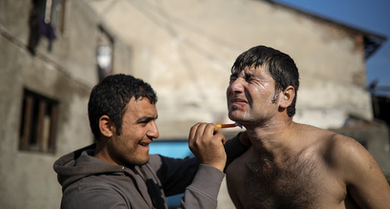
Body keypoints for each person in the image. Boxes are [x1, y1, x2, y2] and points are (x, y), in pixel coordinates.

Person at [225, 45, 390, 209]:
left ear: (285, 97)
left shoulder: (338, 153)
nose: (234, 87)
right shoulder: (237, 174)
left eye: (251, 79)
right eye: (233, 78)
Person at [53, 73, 249, 209]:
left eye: (154, 120)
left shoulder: (142, 166)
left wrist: (243, 140)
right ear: (107, 126)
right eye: (143, 122)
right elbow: (205, 169)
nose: (155, 132)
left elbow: (191, 169)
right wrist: (211, 166)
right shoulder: (91, 197)